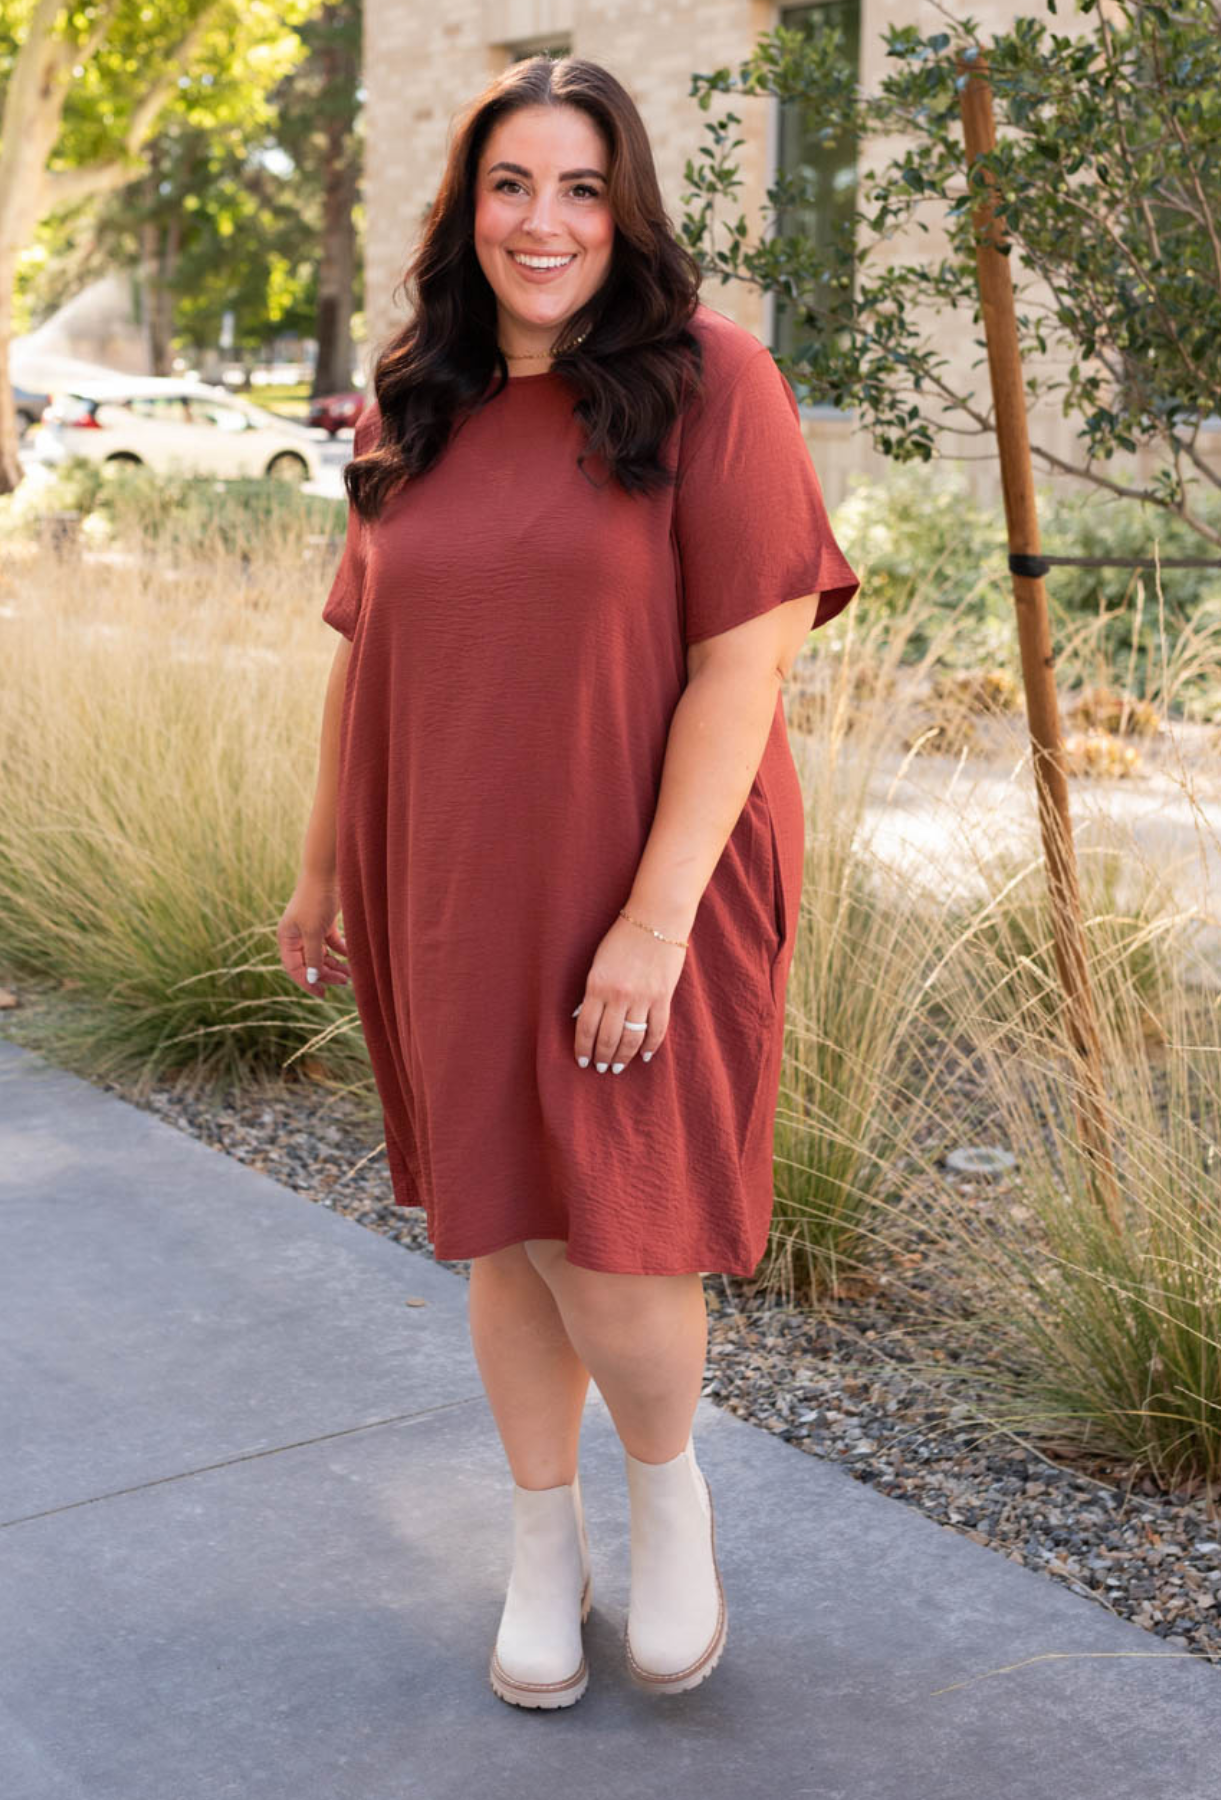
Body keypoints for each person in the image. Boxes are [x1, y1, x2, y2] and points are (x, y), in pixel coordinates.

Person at [278, 54, 860, 1710]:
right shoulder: (420, 397)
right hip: (449, 863)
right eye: (512, 186)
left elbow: (740, 676)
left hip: (646, 870)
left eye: (582, 187)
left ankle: (665, 1505)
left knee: (614, 1231)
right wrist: (323, 867)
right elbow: (363, 652)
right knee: (503, 1225)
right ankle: (545, 1543)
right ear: (469, 210)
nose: (545, 221)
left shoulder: (711, 384)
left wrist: (652, 926)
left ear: (628, 211)